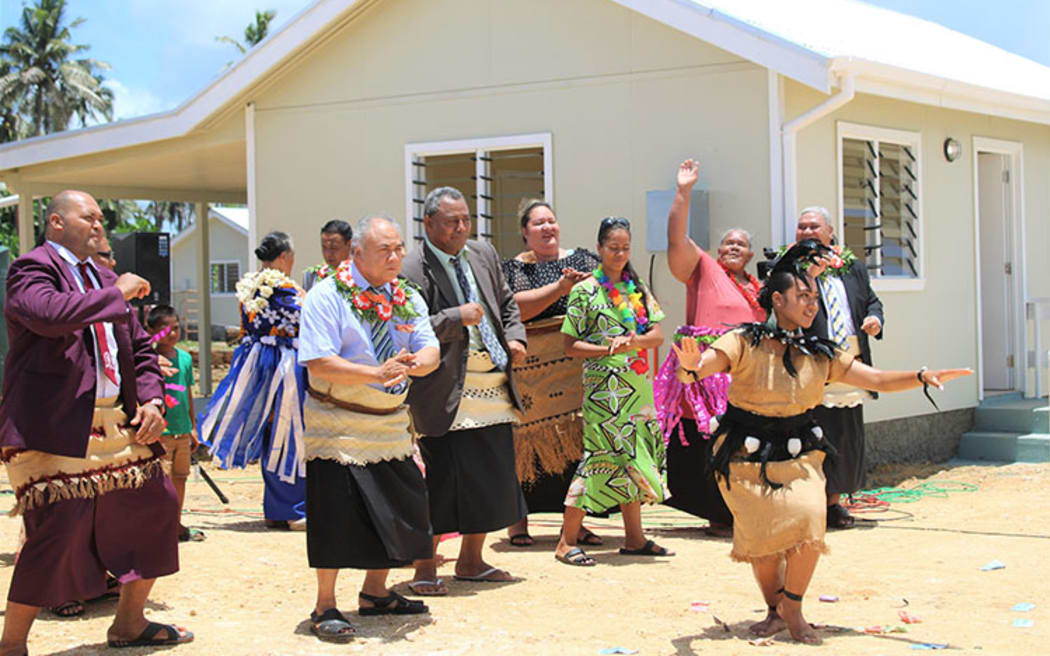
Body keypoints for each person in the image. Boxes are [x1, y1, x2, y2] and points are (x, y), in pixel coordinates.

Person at [673, 240, 969, 644]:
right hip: (743, 457)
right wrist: (691, 367)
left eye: (814, 297)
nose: (812, 305)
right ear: (777, 300)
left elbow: (876, 379)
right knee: (762, 547)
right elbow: (704, 367)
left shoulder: (820, 352)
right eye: (802, 297)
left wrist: (921, 376)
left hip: (801, 455)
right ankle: (775, 609)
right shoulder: (743, 340)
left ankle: (793, 607)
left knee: (811, 522)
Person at [0, 190, 192, 654]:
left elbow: (142, 350)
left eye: (101, 218)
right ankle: (11, 644)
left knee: (158, 507)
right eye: (88, 217)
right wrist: (116, 292)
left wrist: (150, 400)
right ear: (57, 223)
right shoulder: (33, 268)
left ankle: (128, 623)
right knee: (57, 529)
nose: (99, 225)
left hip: (118, 423)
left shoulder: (103, 277)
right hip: (57, 424)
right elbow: (49, 316)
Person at [298, 215, 440, 642]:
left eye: (399, 248)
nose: (397, 257)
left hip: (390, 423)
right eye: (386, 250)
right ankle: (325, 604)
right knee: (336, 514)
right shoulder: (326, 295)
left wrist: (416, 362)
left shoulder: (406, 296)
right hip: (338, 424)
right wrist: (376, 374)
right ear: (357, 253)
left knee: (400, 508)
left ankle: (376, 592)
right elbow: (318, 361)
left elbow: (429, 345)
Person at [402, 186, 528, 594]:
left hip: (491, 382)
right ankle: (424, 567)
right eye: (451, 222)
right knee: (441, 482)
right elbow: (408, 330)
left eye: (466, 220)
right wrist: (457, 317)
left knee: (491, 476)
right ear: (429, 225)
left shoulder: (483, 254)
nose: (461, 228)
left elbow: (508, 304)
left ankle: (472, 560)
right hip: (444, 389)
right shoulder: (410, 269)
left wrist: (516, 338)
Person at [656, 159, 764, 538]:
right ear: (717, 251)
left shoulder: (757, 291)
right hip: (702, 372)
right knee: (703, 439)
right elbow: (676, 239)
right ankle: (714, 512)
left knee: (739, 443)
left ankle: (739, 510)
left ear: (750, 254)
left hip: (740, 377)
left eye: (742, 244)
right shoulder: (703, 269)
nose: (734, 247)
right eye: (728, 243)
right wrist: (683, 192)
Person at [555, 216, 671, 567]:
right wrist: (609, 350)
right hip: (604, 391)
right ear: (599, 249)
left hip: (637, 387)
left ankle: (635, 538)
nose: (619, 254)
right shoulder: (585, 291)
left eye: (625, 248)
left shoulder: (636, 289)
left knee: (633, 456)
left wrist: (632, 341)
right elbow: (569, 345)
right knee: (600, 457)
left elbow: (658, 335)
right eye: (613, 247)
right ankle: (565, 541)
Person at [500, 198, 601, 547]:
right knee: (524, 444)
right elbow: (513, 311)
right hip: (531, 370)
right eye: (538, 224)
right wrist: (560, 289)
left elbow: (611, 294)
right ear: (525, 234)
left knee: (577, 443)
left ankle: (575, 523)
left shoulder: (585, 260)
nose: (547, 228)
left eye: (551, 221)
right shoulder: (514, 269)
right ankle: (517, 522)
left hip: (576, 367)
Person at [197, 231, 308, 530]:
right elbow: (305, 318)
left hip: (255, 363)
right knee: (290, 429)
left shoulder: (249, 285)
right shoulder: (282, 288)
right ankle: (293, 507)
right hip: (284, 366)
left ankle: (277, 506)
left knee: (271, 428)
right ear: (285, 257)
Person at [795, 206, 884, 529]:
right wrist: (809, 275)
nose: (806, 232)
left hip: (850, 362)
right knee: (812, 434)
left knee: (844, 434)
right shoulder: (789, 268)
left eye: (813, 226)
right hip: (812, 364)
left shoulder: (853, 267)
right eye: (801, 227)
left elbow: (871, 301)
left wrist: (874, 319)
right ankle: (810, 502)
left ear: (830, 232)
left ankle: (834, 504)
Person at [147, 304, 204, 543]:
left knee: (179, 479)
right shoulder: (148, 360)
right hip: (161, 433)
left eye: (176, 328)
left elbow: (188, 394)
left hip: (181, 431)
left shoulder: (184, 358)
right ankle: (158, 526)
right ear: (152, 331)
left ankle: (175, 523)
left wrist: (192, 426)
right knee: (160, 483)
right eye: (165, 329)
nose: (172, 333)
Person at [303, 219, 353, 291]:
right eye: (324, 247)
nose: (328, 254)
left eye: (334, 248)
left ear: (349, 244)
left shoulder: (361, 275)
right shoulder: (312, 276)